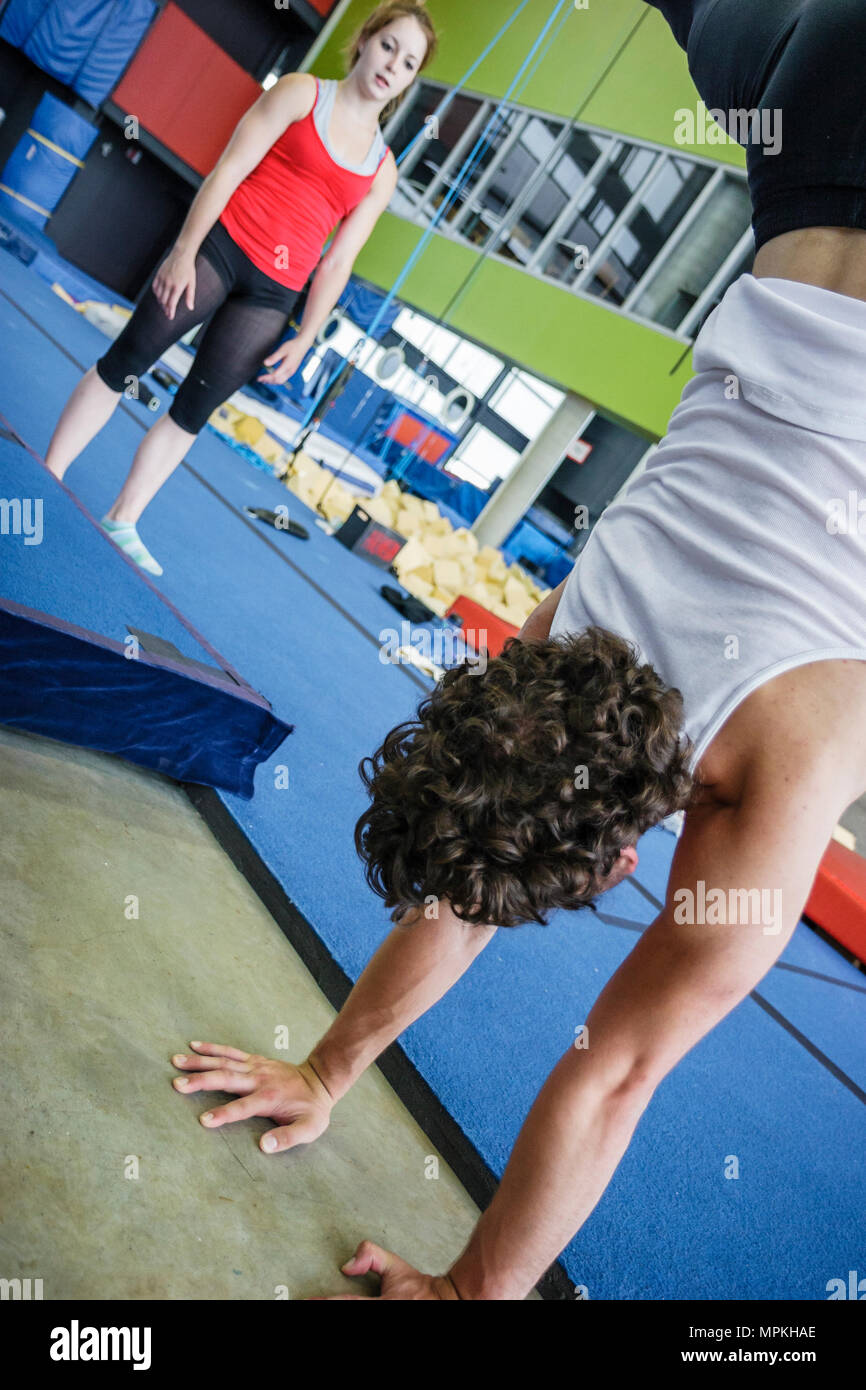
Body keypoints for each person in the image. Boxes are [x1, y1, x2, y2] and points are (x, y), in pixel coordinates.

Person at [172, 0, 866, 1300]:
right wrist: (324, 1069)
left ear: (618, 854)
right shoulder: (563, 633)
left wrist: (467, 1295)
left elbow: (612, 1075)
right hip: (813, 109)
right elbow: (478, 883)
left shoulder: (778, 767)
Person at [43, 1, 437, 575]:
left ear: (410, 81)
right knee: (127, 362)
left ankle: (123, 517)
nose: (392, 65)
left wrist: (305, 338)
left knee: (193, 410)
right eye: (388, 47)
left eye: (408, 64)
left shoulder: (383, 170)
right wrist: (183, 251)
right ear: (366, 40)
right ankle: (49, 470)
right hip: (221, 249)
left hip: (273, 295)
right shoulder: (302, 94)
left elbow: (338, 261)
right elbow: (229, 168)